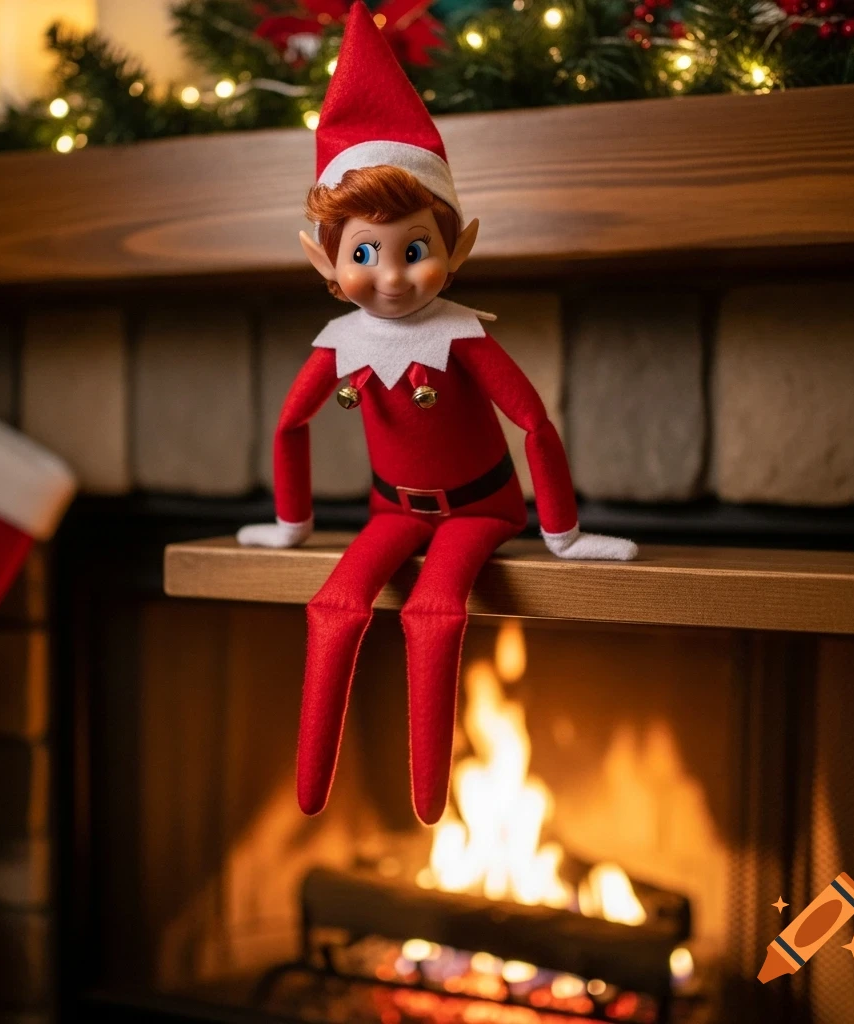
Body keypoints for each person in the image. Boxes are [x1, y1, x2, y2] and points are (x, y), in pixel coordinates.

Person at [238, 2, 636, 825]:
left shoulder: (462, 340)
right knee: (334, 603)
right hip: (392, 509)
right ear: (325, 259)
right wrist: (291, 524)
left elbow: (533, 423)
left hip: (479, 508)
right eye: (363, 253)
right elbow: (289, 426)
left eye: (413, 249)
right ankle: (312, 790)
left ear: (455, 249)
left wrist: (560, 533)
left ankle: (429, 802)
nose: (389, 277)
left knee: (434, 608)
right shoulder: (338, 346)